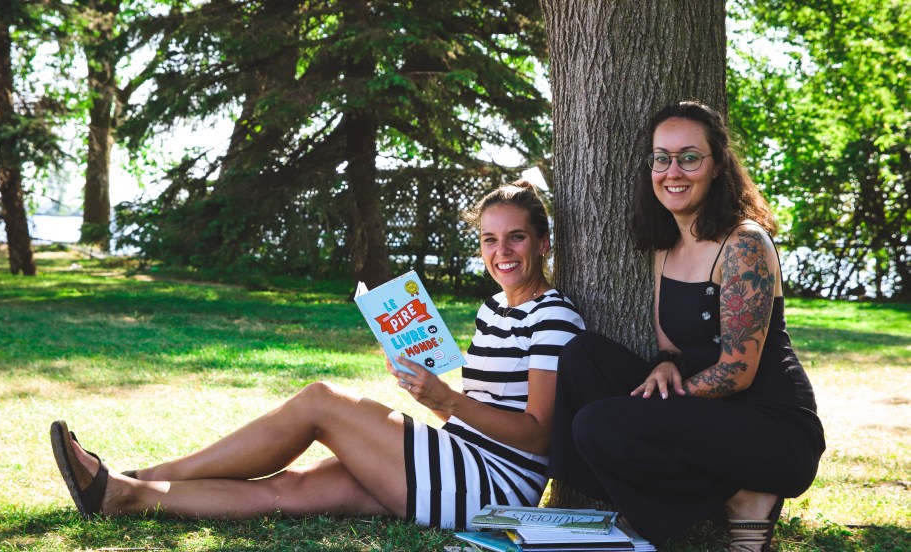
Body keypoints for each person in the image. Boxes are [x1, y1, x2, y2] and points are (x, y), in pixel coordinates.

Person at [51, 180, 586, 530]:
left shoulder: (553, 316)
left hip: (490, 489)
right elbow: (483, 415)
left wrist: (449, 398)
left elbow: (537, 434)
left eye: (516, 238)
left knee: (321, 401)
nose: (502, 252)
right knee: (292, 489)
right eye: (490, 240)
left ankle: (142, 474)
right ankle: (122, 494)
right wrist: (430, 394)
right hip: (462, 459)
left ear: (543, 244)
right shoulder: (495, 309)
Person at [546, 101, 825, 552]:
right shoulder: (667, 246)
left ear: (717, 167)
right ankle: (719, 494)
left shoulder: (744, 244)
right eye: (662, 157)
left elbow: (737, 371)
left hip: (769, 430)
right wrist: (662, 366)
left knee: (597, 424)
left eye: (690, 157)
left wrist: (653, 409)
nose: (673, 170)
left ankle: (746, 496)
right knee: (583, 357)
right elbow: (671, 346)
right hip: (704, 417)